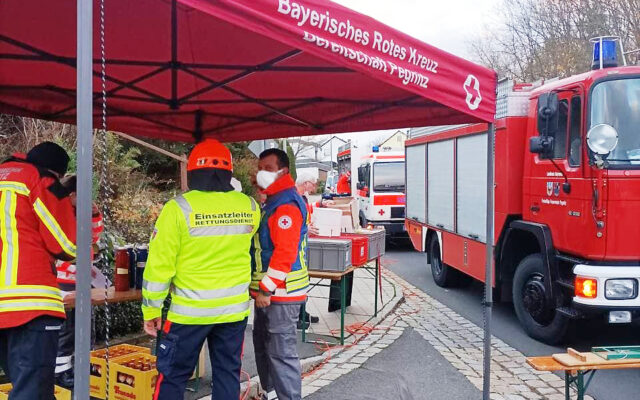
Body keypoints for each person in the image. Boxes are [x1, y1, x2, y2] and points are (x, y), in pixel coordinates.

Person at [141, 139, 260, 400]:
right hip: (233, 312)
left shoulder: (178, 208)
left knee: (173, 377)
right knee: (228, 375)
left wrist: (151, 310)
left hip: (189, 314)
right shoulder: (250, 207)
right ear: (228, 172)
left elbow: (160, 265)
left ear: (194, 171)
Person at [0, 142, 77, 400]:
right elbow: (66, 244)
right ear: (58, 173)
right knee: (32, 391)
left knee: (25, 385)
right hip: (30, 304)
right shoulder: (41, 180)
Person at [251, 148, 309, 400]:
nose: (261, 173)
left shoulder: (285, 206)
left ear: (283, 172)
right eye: (259, 167)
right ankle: (272, 393)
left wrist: (266, 287)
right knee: (265, 346)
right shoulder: (274, 201)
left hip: (280, 293)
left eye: (268, 168)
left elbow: (285, 253)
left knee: (280, 352)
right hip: (273, 292)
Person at [54, 195, 104, 389]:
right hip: (63, 283)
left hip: (83, 281)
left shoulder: (83, 213)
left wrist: (94, 213)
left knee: (87, 328)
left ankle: (85, 364)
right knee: (66, 331)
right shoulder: (59, 212)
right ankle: (61, 371)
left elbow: (95, 235)